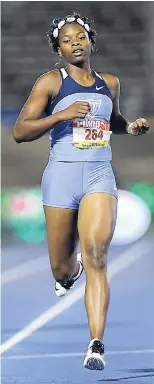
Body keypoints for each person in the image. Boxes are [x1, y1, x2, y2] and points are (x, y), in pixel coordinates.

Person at [13, 13, 150, 371]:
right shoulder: (50, 83)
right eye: (67, 40)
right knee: (61, 266)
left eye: (80, 37)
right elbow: (21, 131)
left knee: (97, 256)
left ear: (91, 41)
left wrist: (129, 127)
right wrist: (61, 115)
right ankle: (66, 274)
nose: (75, 43)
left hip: (99, 176)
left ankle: (96, 344)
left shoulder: (110, 83)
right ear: (59, 49)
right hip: (61, 176)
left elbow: (112, 122)